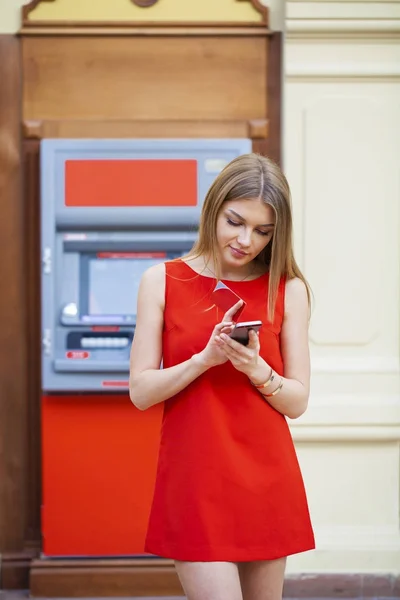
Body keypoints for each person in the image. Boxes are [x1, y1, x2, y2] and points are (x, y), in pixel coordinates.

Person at [129, 153, 315, 600]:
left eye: (263, 231)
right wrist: (204, 359)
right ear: (213, 208)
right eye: (235, 221)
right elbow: (140, 391)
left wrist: (256, 368)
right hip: (196, 479)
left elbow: (297, 401)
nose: (246, 240)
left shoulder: (286, 289)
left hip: (267, 477)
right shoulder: (161, 280)